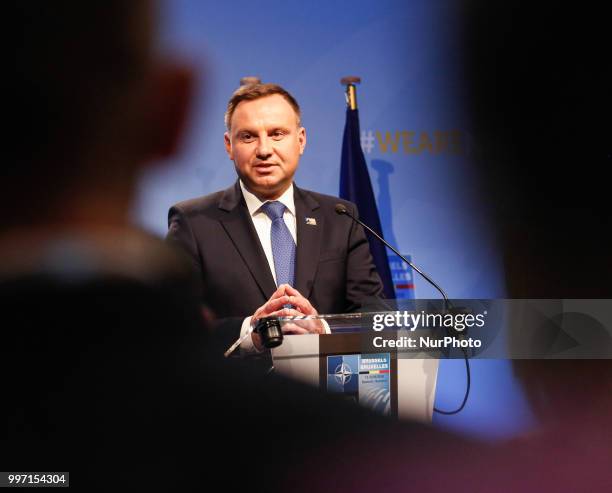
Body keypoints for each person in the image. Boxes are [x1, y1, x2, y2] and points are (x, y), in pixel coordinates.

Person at [167, 82, 384, 353]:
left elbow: (376, 320)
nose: (264, 150)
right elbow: (172, 327)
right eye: (248, 137)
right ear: (229, 145)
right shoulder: (194, 222)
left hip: (326, 391)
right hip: (237, 391)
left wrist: (324, 330)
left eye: (277, 134)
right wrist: (251, 332)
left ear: (301, 140)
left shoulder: (341, 217)